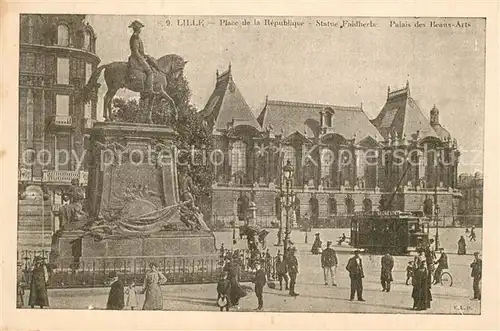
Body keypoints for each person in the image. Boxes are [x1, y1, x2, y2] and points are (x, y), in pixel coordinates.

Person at [128, 20, 156, 94]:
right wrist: (142, 58)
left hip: (139, 56)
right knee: (150, 72)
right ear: (137, 29)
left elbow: (140, 51)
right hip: (136, 58)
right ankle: (148, 90)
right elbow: (136, 51)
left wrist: (146, 56)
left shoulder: (137, 37)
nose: (140, 30)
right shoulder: (135, 37)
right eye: (139, 28)